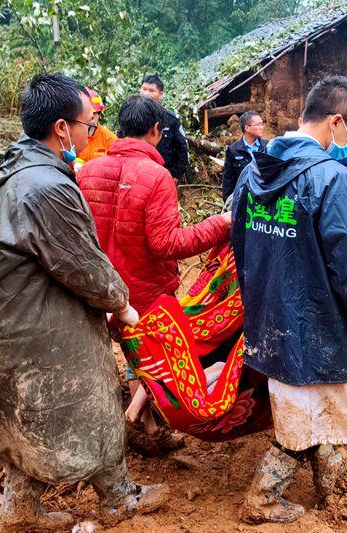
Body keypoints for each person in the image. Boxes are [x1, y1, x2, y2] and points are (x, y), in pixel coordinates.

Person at [0, 73, 167, 529]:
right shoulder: (47, 186)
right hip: (34, 325)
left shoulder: (16, 171)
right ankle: (119, 499)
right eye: (88, 124)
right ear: (62, 128)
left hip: (2, 319)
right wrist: (120, 301)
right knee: (95, 395)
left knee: (24, 415)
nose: (90, 133)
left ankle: (20, 507)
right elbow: (82, 263)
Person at [230, 75, 347, 524]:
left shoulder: (252, 171)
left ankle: (333, 490)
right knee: (312, 417)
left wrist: (258, 308)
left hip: (271, 320)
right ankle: (266, 495)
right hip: (321, 325)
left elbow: (240, 249)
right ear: (337, 122)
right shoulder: (330, 177)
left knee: (320, 412)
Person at [77, 94, 231, 453]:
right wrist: (220, 224)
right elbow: (167, 243)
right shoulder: (156, 176)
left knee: (134, 355)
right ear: (156, 131)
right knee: (155, 356)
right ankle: (137, 422)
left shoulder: (90, 170)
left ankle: (143, 426)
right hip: (147, 292)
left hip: (105, 288)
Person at [140, 74, 189, 181]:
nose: (146, 94)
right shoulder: (133, 116)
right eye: (144, 89)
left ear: (161, 94)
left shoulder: (171, 119)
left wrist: (176, 175)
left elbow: (182, 148)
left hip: (164, 176)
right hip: (138, 175)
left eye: (151, 90)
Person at [221, 110, 267, 200]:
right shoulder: (233, 150)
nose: (262, 127)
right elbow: (228, 180)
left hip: (263, 199)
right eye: (258, 124)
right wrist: (228, 202)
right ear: (247, 128)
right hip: (242, 199)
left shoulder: (267, 147)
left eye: (262, 124)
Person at [76, 87, 117, 167]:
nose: (91, 118)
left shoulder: (109, 138)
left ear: (99, 115)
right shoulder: (71, 135)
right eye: (88, 114)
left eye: (94, 114)